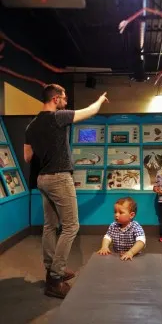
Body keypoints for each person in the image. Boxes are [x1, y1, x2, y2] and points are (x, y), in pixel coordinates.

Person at [24, 84, 109, 299]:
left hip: (42, 179)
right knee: (71, 226)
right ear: (55, 99)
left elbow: (27, 157)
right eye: (64, 97)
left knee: (50, 226)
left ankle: (51, 269)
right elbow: (90, 111)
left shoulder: (31, 126)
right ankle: (55, 277)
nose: (66, 101)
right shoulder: (58, 117)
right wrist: (99, 100)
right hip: (60, 177)